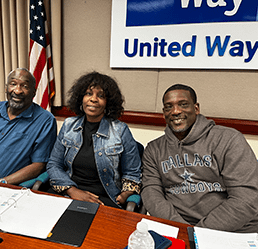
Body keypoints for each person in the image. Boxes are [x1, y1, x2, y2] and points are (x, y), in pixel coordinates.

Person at [141, 84, 258, 233]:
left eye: (183, 105)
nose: (176, 111)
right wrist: (182, 230)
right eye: (169, 107)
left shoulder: (229, 139)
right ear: (164, 113)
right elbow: (151, 192)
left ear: (196, 108)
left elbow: (246, 198)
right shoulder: (153, 149)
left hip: (233, 230)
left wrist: (200, 233)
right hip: (177, 228)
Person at [46, 71, 141, 208]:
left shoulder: (120, 130)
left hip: (103, 199)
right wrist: (73, 191)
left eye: (100, 96)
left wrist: (124, 195)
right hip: (68, 193)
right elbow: (54, 164)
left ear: (108, 102)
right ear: (81, 98)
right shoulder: (68, 125)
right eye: (88, 93)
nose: (93, 99)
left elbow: (133, 172)